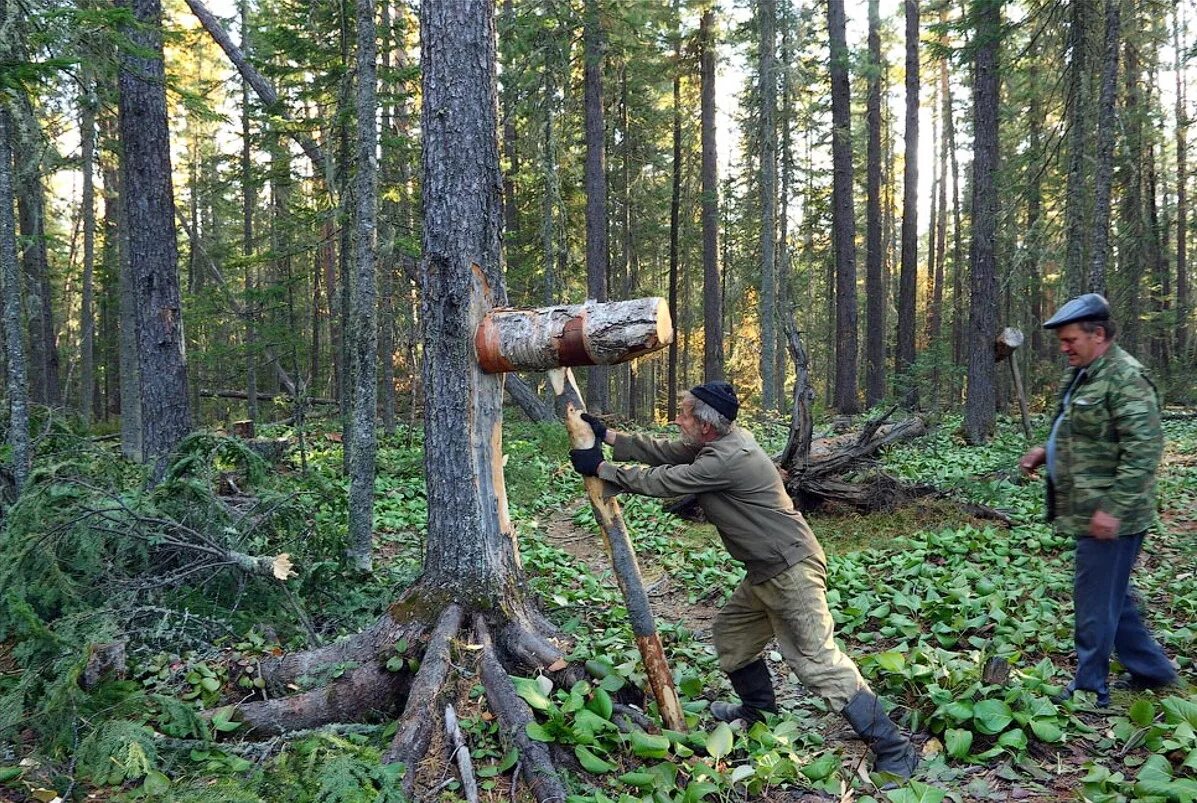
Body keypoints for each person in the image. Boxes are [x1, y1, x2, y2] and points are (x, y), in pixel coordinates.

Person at [568, 382, 918, 778]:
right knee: (733, 637)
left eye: (683, 413)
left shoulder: (728, 458)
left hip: (791, 571)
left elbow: (666, 481)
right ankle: (759, 714)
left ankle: (894, 747)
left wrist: (601, 468)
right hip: (765, 571)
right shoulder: (720, 440)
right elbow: (669, 451)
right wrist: (610, 437)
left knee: (817, 662)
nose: (677, 418)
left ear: (705, 425)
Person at [1018, 293, 1177, 707]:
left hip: (1111, 516)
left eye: (1071, 339)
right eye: (1062, 340)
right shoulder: (1088, 373)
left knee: (1095, 603)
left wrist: (1113, 509)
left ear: (1099, 334)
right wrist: (1045, 451)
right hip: (1090, 511)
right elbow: (1083, 432)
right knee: (1113, 599)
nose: (1064, 347)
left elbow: (1143, 452)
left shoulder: (1126, 377)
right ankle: (1153, 671)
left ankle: (1090, 688)